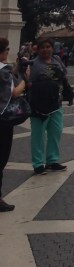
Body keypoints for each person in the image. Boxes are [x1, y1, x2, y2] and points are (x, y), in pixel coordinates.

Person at [25, 38, 73, 175]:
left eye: (48, 47)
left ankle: (52, 160)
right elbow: (27, 83)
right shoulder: (33, 64)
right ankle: (38, 164)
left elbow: (64, 78)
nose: (45, 50)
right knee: (38, 135)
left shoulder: (57, 60)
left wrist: (69, 95)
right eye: (42, 47)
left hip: (56, 103)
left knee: (56, 132)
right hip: (39, 105)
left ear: (52, 48)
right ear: (37, 49)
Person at [0, 37, 27, 210]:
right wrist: (25, 79)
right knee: (1, 158)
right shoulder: (3, 71)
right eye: (7, 49)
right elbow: (15, 92)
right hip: (2, 121)